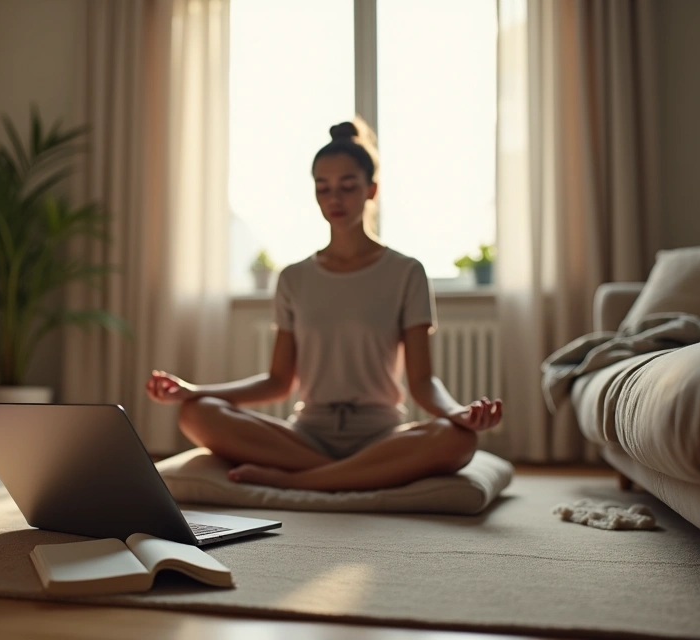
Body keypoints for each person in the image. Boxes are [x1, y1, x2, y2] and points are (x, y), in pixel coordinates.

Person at [145, 117, 503, 492]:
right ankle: (351, 475)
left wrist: (457, 413)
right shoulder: (293, 278)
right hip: (307, 437)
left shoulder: (406, 272)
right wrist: (195, 390)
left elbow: (422, 382)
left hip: (379, 436)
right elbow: (278, 382)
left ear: (371, 190)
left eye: (348, 186)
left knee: (459, 439)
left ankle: (300, 480)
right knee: (197, 414)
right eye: (323, 188)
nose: (335, 199)